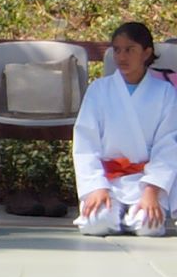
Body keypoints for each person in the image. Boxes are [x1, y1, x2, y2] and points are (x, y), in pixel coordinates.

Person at [73, 22, 177, 237]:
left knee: (148, 226)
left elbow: (168, 146)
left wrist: (151, 190)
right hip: (107, 180)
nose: (122, 57)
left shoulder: (165, 92)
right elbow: (85, 143)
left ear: (146, 53)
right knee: (96, 222)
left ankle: (131, 215)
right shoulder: (99, 90)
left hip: (145, 182)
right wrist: (96, 186)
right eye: (117, 50)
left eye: (130, 50)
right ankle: (116, 215)